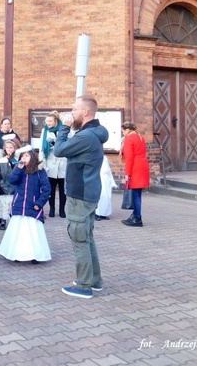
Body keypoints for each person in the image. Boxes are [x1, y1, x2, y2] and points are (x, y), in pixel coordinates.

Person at [53, 95, 109, 299]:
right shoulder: (92, 133)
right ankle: (94, 280)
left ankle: (84, 286)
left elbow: (59, 150)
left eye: (74, 109)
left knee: (79, 239)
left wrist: (64, 128)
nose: (71, 114)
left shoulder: (85, 136)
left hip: (81, 194)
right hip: (87, 193)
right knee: (87, 237)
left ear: (86, 112)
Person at [0, 146, 51, 263]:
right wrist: (18, 169)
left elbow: (47, 190)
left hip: (32, 206)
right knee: (18, 232)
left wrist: (39, 203)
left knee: (33, 233)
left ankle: (35, 255)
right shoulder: (19, 169)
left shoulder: (39, 171)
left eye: (27, 156)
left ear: (32, 157)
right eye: (23, 156)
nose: (24, 158)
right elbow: (12, 180)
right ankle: (17, 254)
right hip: (19, 205)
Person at [120, 122, 151, 227]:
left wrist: (127, 174)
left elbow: (129, 158)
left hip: (135, 167)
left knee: (135, 194)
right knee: (138, 193)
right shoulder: (140, 137)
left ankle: (137, 217)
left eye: (123, 130)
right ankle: (135, 215)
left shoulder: (129, 139)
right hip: (143, 165)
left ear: (128, 129)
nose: (122, 132)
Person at [41, 111, 67, 218]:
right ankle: (52, 209)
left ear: (56, 121)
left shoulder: (64, 129)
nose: (48, 123)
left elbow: (69, 144)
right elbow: (42, 147)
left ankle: (62, 210)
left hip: (63, 162)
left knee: (63, 189)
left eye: (50, 121)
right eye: (47, 121)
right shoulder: (45, 131)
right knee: (50, 189)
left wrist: (57, 144)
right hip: (50, 162)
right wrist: (42, 163)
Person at [0, 134, 20, 231]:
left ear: (14, 148)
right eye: (7, 147)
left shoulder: (16, 160)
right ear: (4, 149)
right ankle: (3, 221)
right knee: (3, 203)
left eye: (11, 147)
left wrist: (12, 160)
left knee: (11, 203)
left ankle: (11, 219)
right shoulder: (1, 159)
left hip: (13, 185)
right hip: (3, 184)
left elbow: (17, 172)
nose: (9, 149)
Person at [96, 156, 115, 221]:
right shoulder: (93, 156)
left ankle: (103, 213)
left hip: (106, 180)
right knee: (100, 196)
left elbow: (108, 170)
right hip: (99, 178)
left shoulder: (105, 158)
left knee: (106, 197)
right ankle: (96, 213)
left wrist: (112, 181)